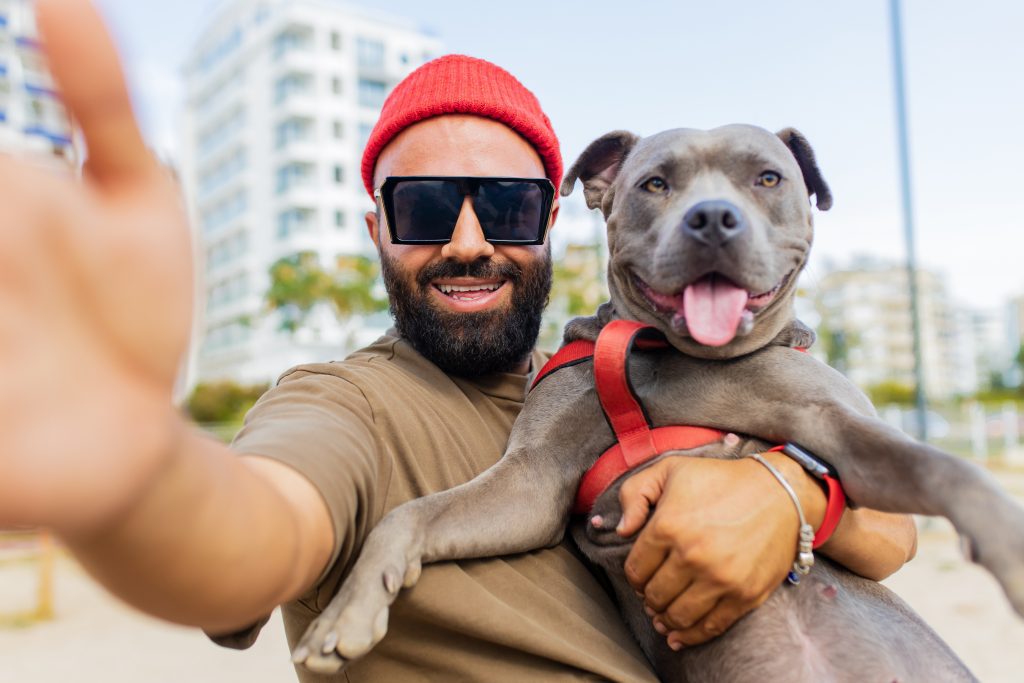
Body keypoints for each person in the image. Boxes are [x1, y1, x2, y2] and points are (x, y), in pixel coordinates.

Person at [0, 1, 916, 681]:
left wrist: (786, 496)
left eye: (509, 206)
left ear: (555, 225)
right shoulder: (348, 405)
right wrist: (134, 479)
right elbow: (243, 538)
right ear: (377, 233)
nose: (469, 240)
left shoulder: (643, 372)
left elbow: (895, 534)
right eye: (427, 205)